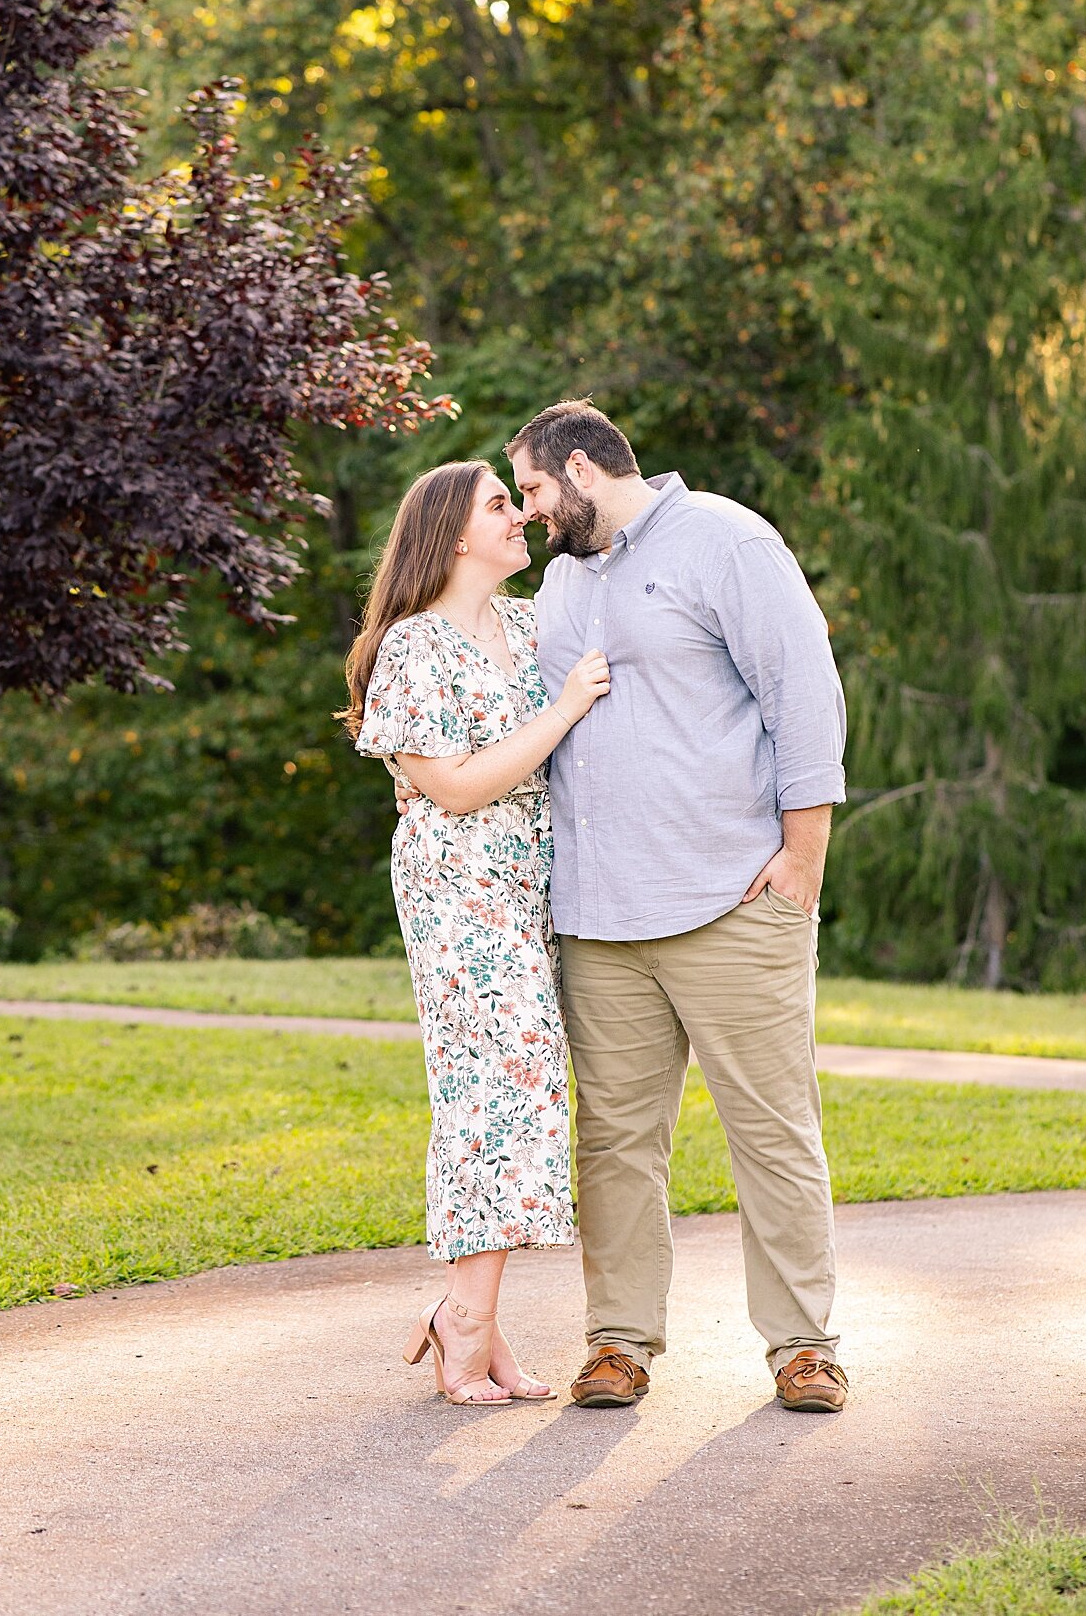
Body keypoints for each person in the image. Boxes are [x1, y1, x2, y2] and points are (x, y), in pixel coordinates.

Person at [505, 400, 851, 1415]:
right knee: (613, 1144)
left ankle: (803, 1347)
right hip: (600, 920)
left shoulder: (729, 541)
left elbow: (803, 694)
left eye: (530, 489)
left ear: (581, 467)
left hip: (733, 900)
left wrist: (802, 859)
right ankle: (618, 1344)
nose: (528, 512)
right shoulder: (561, 585)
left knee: (772, 1131)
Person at [340, 458, 611, 1406]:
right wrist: (568, 705)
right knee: (492, 1087)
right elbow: (450, 785)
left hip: (533, 883)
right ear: (453, 533)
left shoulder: (534, 628)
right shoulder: (412, 648)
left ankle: (475, 1320)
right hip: (457, 886)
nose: (519, 517)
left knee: (521, 1088)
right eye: (501, 504)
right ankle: (465, 1321)